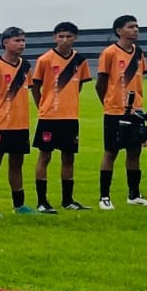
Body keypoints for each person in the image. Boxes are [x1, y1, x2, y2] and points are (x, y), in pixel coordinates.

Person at [29, 21, 92, 213]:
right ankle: (42, 201)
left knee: (69, 157)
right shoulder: (45, 59)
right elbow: (36, 87)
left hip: (70, 117)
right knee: (45, 156)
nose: (65, 40)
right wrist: (43, 106)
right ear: (54, 37)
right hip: (49, 116)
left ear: (75, 38)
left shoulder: (80, 61)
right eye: (61, 36)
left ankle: (68, 200)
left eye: (69, 36)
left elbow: (79, 85)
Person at [95, 13, 147, 209]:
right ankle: (104, 197)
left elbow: (139, 80)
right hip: (114, 111)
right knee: (111, 152)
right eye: (131, 27)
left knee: (134, 152)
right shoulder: (110, 53)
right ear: (119, 31)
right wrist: (109, 103)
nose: (135, 30)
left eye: (137, 26)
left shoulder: (139, 52)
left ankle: (134, 195)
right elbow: (100, 84)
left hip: (135, 111)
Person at [0, 27, 35, 216]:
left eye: (23, 41)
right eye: (17, 40)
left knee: (17, 164)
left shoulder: (25, 66)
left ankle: (19, 205)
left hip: (20, 124)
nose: (21, 44)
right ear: (5, 43)